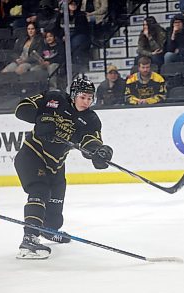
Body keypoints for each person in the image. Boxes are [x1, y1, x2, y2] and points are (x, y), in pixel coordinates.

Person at [13, 77, 114, 259]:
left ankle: (47, 230)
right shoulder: (54, 98)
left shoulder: (91, 119)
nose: (86, 102)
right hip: (32, 154)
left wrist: (98, 153)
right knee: (40, 190)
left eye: (90, 98)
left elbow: (91, 141)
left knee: (54, 217)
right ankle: (29, 239)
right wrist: (40, 118)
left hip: (56, 164)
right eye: (83, 97)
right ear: (74, 95)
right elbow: (21, 108)